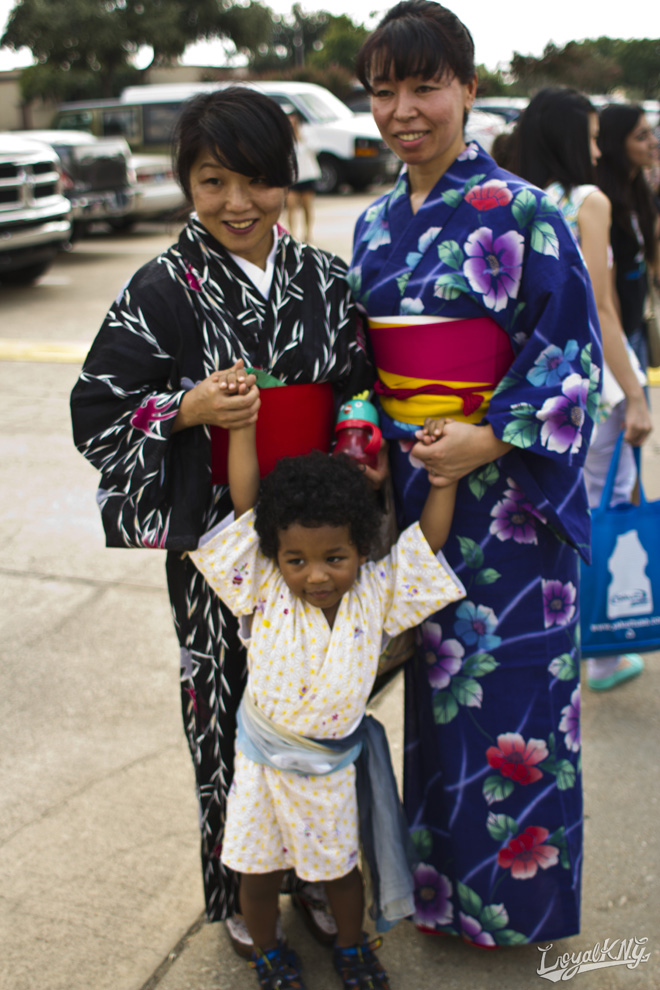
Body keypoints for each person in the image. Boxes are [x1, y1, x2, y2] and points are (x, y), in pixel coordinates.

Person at [70, 87, 372, 956]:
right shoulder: (160, 288)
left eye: (257, 181)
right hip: (221, 551)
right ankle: (242, 892)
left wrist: (357, 434)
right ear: (185, 184)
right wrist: (185, 407)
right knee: (226, 719)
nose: (237, 203)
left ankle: (323, 877)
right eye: (212, 182)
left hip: (324, 548)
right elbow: (96, 412)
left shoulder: (324, 278)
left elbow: (356, 380)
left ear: (287, 178)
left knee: (325, 714)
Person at [349, 0, 602, 947]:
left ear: (468, 88)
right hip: (417, 494)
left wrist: (489, 441)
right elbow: (363, 372)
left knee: (515, 702)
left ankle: (521, 909)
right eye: (385, 90)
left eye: (425, 85)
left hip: (510, 507)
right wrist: (372, 448)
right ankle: (444, 901)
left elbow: (567, 355)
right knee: (436, 695)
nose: (404, 108)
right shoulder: (373, 225)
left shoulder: (527, 213)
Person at [188, 398, 465, 990]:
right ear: (273, 554)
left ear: (362, 549)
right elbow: (245, 501)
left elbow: (429, 544)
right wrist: (242, 429)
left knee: (341, 872)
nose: (315, 575)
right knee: (256, 873)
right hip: (261, 767)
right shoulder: (266, 580)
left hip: (331, 769)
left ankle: (351, 945)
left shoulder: (377, 590)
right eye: (298, 559)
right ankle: (267, 951)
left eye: (334, 558)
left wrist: (441, 480)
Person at [513, 87, 652, 691]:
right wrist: (637, 392)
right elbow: (602, 305)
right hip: (587, 393)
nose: (598, 152)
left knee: (547, 518)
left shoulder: (512, 198)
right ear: (571, 139)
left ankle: (555, 643)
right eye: (592, 138)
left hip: (528, 392)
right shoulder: (587, 200)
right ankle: (596, 649)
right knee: (604, 504)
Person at [596, 104, 659, 374]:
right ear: (616, 145)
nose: (653, 142)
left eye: (651, 134)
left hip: (638, 324)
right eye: (641, 136)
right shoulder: (601, 201)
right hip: (616, 339)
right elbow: (604, 294)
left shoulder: (639, 192)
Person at [286, 111, 321, 243]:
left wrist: (299, 136)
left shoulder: (307, 133)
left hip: (308, 175)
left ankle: (307, 233)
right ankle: (292, 234)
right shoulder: (285, 136)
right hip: (293, 177)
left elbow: (315, 149)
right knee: (291, 205)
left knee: (307, 206)